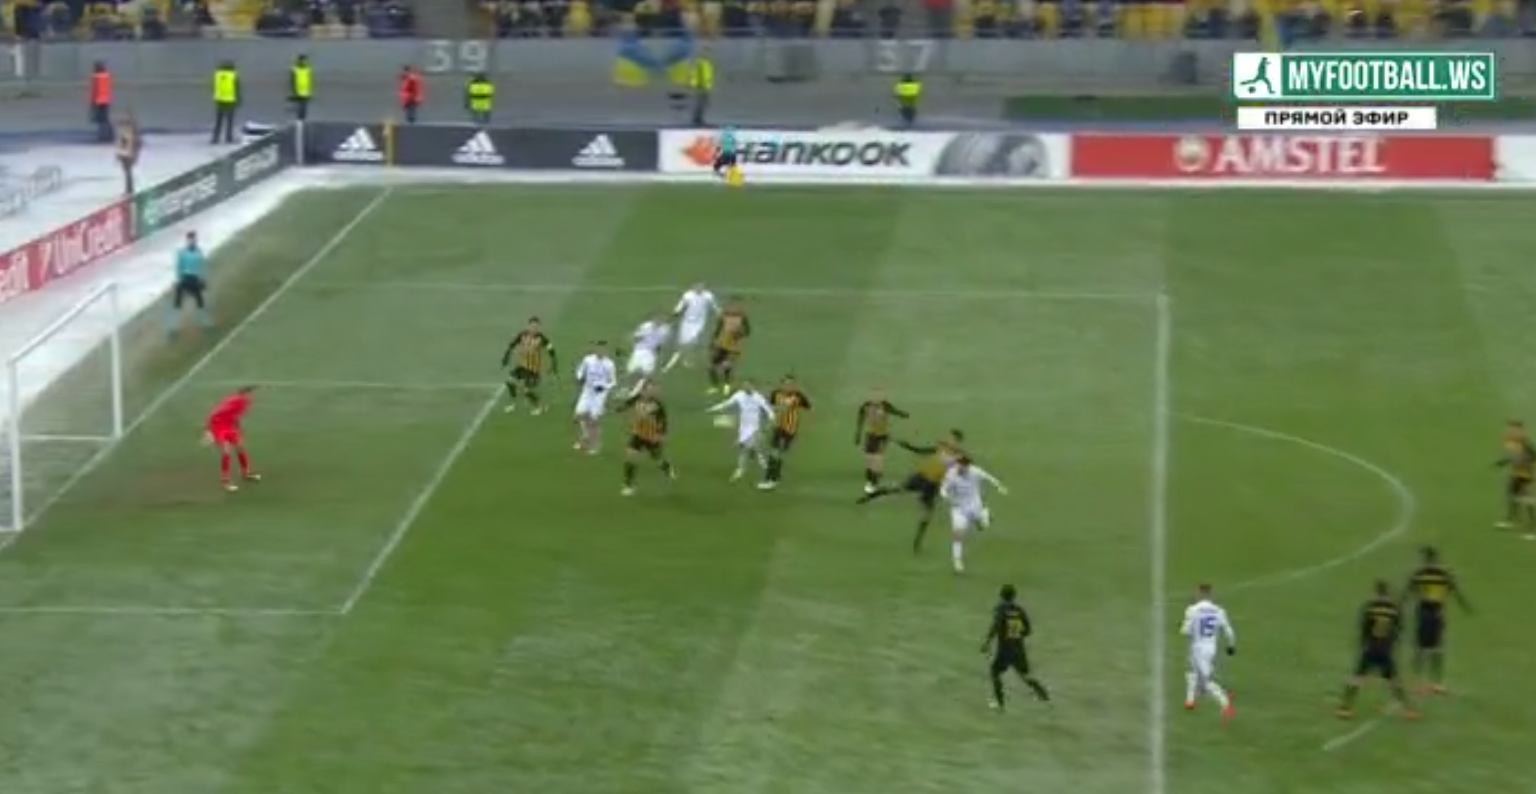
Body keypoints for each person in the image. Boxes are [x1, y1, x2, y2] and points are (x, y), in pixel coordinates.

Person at [1337, 580, 1420, 720]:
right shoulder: (1394, 608)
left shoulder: (1370, 607)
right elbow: (1399, 629)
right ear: (1387, 593)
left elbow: (1364, 629)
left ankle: (1345, 708)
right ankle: (1409, 710)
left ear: (1376, 592)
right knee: (1394, 679)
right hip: (1385, 648)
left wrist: (1363, 645)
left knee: (1357, 676)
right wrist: (1393, 644)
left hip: (1371, 646)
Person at [1400, 546, 1470, 694]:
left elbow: (1407, 591)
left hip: (1425, 611)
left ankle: (1418, 680)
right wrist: (1465, 605)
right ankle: (1436, 683)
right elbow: (1455, 591)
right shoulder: (1444, 573)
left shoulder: (1420, 573)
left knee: (1421, 647)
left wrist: (1400, 605)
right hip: (1438, 612)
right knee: (1436, 648)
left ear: (1426, 559)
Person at [980, 584, 1050, 711]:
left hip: (1005, 649)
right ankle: (1043, 695)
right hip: (1018, 648)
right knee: (1025, 674)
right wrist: (1016, 636)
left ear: (1001, 596)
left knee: (994, 672)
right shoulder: (1019, 610)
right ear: (1013, 596)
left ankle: (999, 703)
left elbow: (995, 626)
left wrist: (987, 642)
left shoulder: (1001, 609)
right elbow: (1028, 630)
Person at [1178, 583, 1236, 720]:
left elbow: (1185, 631)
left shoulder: (1192, 609)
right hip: (1210, 647)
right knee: (1191, 672)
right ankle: (1190, 701)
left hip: (1197, 648)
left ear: (1200, 594)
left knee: (1205, 680)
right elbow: (1228, 630)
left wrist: (1185, 624)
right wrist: (1231, 646)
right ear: (1210, 594)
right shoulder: (1219, 610)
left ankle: (1226, 704)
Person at [939, 457, 1006, 574]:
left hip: (975, 507)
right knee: (958, 534)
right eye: (958, 466)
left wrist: (999, 486)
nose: (959, 469)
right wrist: (945, 496)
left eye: (962, 467)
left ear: (967, 467)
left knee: (982, 527)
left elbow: (989, 478)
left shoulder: (975, 471)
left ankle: (985, 515)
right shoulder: (951, 474)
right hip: (958, 509)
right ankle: (957, 562)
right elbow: (943, 489)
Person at [705, 378, 774, 482]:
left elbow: (769, 411)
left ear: (753, 386)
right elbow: (726, 404)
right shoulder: (739, 395)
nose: (746, 388)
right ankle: (760, 461)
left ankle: (742, 468)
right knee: (748, 448)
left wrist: (770, 421)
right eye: (744, 386)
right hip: (743, 427)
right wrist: (713, 408)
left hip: (754, 428)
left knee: (745, 447)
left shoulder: (758, 397)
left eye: (748, 385)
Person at [619, 382, 677, 496]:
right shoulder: (637, 399)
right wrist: (619, 409)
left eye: (653, 390)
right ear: (643, 390)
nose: (651, 392)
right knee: (630, 458)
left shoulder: (657, 405)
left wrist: (660, 435)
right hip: (637, 435)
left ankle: (667, 468)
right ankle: (628, 485)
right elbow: (626, 404)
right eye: (649, 390)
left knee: (658, 458)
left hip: (651, 437)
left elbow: (663, 421)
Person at [204, 385, 260, 491]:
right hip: (219, 427)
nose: (253, 396)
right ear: (245, 394)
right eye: (251, 393)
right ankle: (226, 482)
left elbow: (235, 416)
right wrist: (208, 432)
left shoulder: (244, 403)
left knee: (240, 448)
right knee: (226, 452)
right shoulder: (233, 401)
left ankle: (246, 473)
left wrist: (238, 427)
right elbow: (214, 414)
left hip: (230, 427)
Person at [760, 375, 812, 490]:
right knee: (774, 453)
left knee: (776, 453)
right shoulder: (776, 394)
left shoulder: (798, 396)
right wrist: (776, 411)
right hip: (778, 427)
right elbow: (771, 407)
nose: (789, 386)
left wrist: (793, 403)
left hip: (790, 430)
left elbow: (808, 406)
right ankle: (774, 478)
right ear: (782, 384)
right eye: (786, 384)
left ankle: (771, 480)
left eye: (791, 384)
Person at [854, 392, 909, 494]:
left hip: (882, 437)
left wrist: (903, 414)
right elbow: (860, 420)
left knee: (877, 459)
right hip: (871, 436)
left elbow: (894, 411)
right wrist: (857, 434)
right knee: (870, 460)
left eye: (879, 396)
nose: (877, 398)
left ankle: (873, 483)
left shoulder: (885, 405)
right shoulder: (865, 406)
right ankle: (871, 479)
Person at [501, 317, 558, 415]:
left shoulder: (542, 338)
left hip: (534, 370)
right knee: (510, 382)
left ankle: (538, 407)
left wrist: (554, 365)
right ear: (528, 326)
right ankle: (512, 404)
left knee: (527, 391)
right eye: (532, 326)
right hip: (522, 366)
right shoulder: (522, 335)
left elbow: (551, 351)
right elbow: (512, 345)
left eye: (536, 326)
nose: (534, 328)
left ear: (538, 327)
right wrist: (506, 356)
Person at [572, 340, 617, 454]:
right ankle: (586, 435)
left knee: (593, 421)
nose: (600, 351)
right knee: (577, 416)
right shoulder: (588, 360)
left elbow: (613, 381)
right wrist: (579, 377)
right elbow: (580, 370)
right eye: (598, 348)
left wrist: (604, 387)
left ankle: (596, 445)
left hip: (599, 395)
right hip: (587, 392)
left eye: (603, 349)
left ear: (606, 350)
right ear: (595, 348)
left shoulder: (609, 364)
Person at [664, 283, 719, 372]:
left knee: (693, 341)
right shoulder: (688, 295)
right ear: (693, 287)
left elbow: (714, 305)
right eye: (697, 286)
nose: (699, 288)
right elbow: (681, 304)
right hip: (687, 323)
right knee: (684, 342)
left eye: (701, 287)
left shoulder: (708, 296)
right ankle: (684, 357)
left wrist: (718, 312)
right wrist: (676, 312)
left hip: (699, 323)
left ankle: (687, 358)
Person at [167, 231, 212, 335]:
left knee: (199, 300)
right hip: (185, 278)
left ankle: (205, 321)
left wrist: (203, 278)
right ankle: (173, 326)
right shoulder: (182, 253)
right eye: (191, 240)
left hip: (195, 279)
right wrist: (178, 279)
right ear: (187, 241)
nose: (193, 241)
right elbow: (179, 267)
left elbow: (201, 266)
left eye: (194, 239)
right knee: (178, 302)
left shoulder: (199, 252)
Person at [625, 313, 673, 397]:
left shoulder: (665, 330)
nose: (659, 321)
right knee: (631, 371)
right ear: (654, 319)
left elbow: (662, 345)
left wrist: (661, 355)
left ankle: (636, 391)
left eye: (662, 319)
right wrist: (634, 338)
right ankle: (630, 388)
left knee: (646, 374)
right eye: (658, 319)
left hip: (650, 354)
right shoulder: (646, 326)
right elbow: (637, 337)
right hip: (639, 351)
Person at [211, 60, 240, 145]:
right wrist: (238, 99)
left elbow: (214, 87)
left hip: (220, 100)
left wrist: (216, 97)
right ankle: (228, 137)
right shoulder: (233, 75)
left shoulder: (217, 75)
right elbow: (237, 88)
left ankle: (215, 138)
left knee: (218, 120)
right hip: (230, 100)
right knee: (229, 120)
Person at [89, 61, 112, 143]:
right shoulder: (107, 76)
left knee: (101, 119)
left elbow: (94, 91)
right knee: (105, 118)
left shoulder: (96, 77)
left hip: (98, 100)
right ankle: (108, 135)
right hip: (106, 100)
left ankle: (103, 136)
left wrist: (92, 102)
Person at [289, 54, 313, 121]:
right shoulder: (295, 69)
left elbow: (310, 80)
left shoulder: (308, 69)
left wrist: (310, 91)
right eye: (302, 60)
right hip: (297, 90)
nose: (304, 62)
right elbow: (292, 80)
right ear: (299, 60)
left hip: (306, 91)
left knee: (304, 107)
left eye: (305, 60)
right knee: (299, 106)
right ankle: (299, 120)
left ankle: (302, 120)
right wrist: (293, 90)